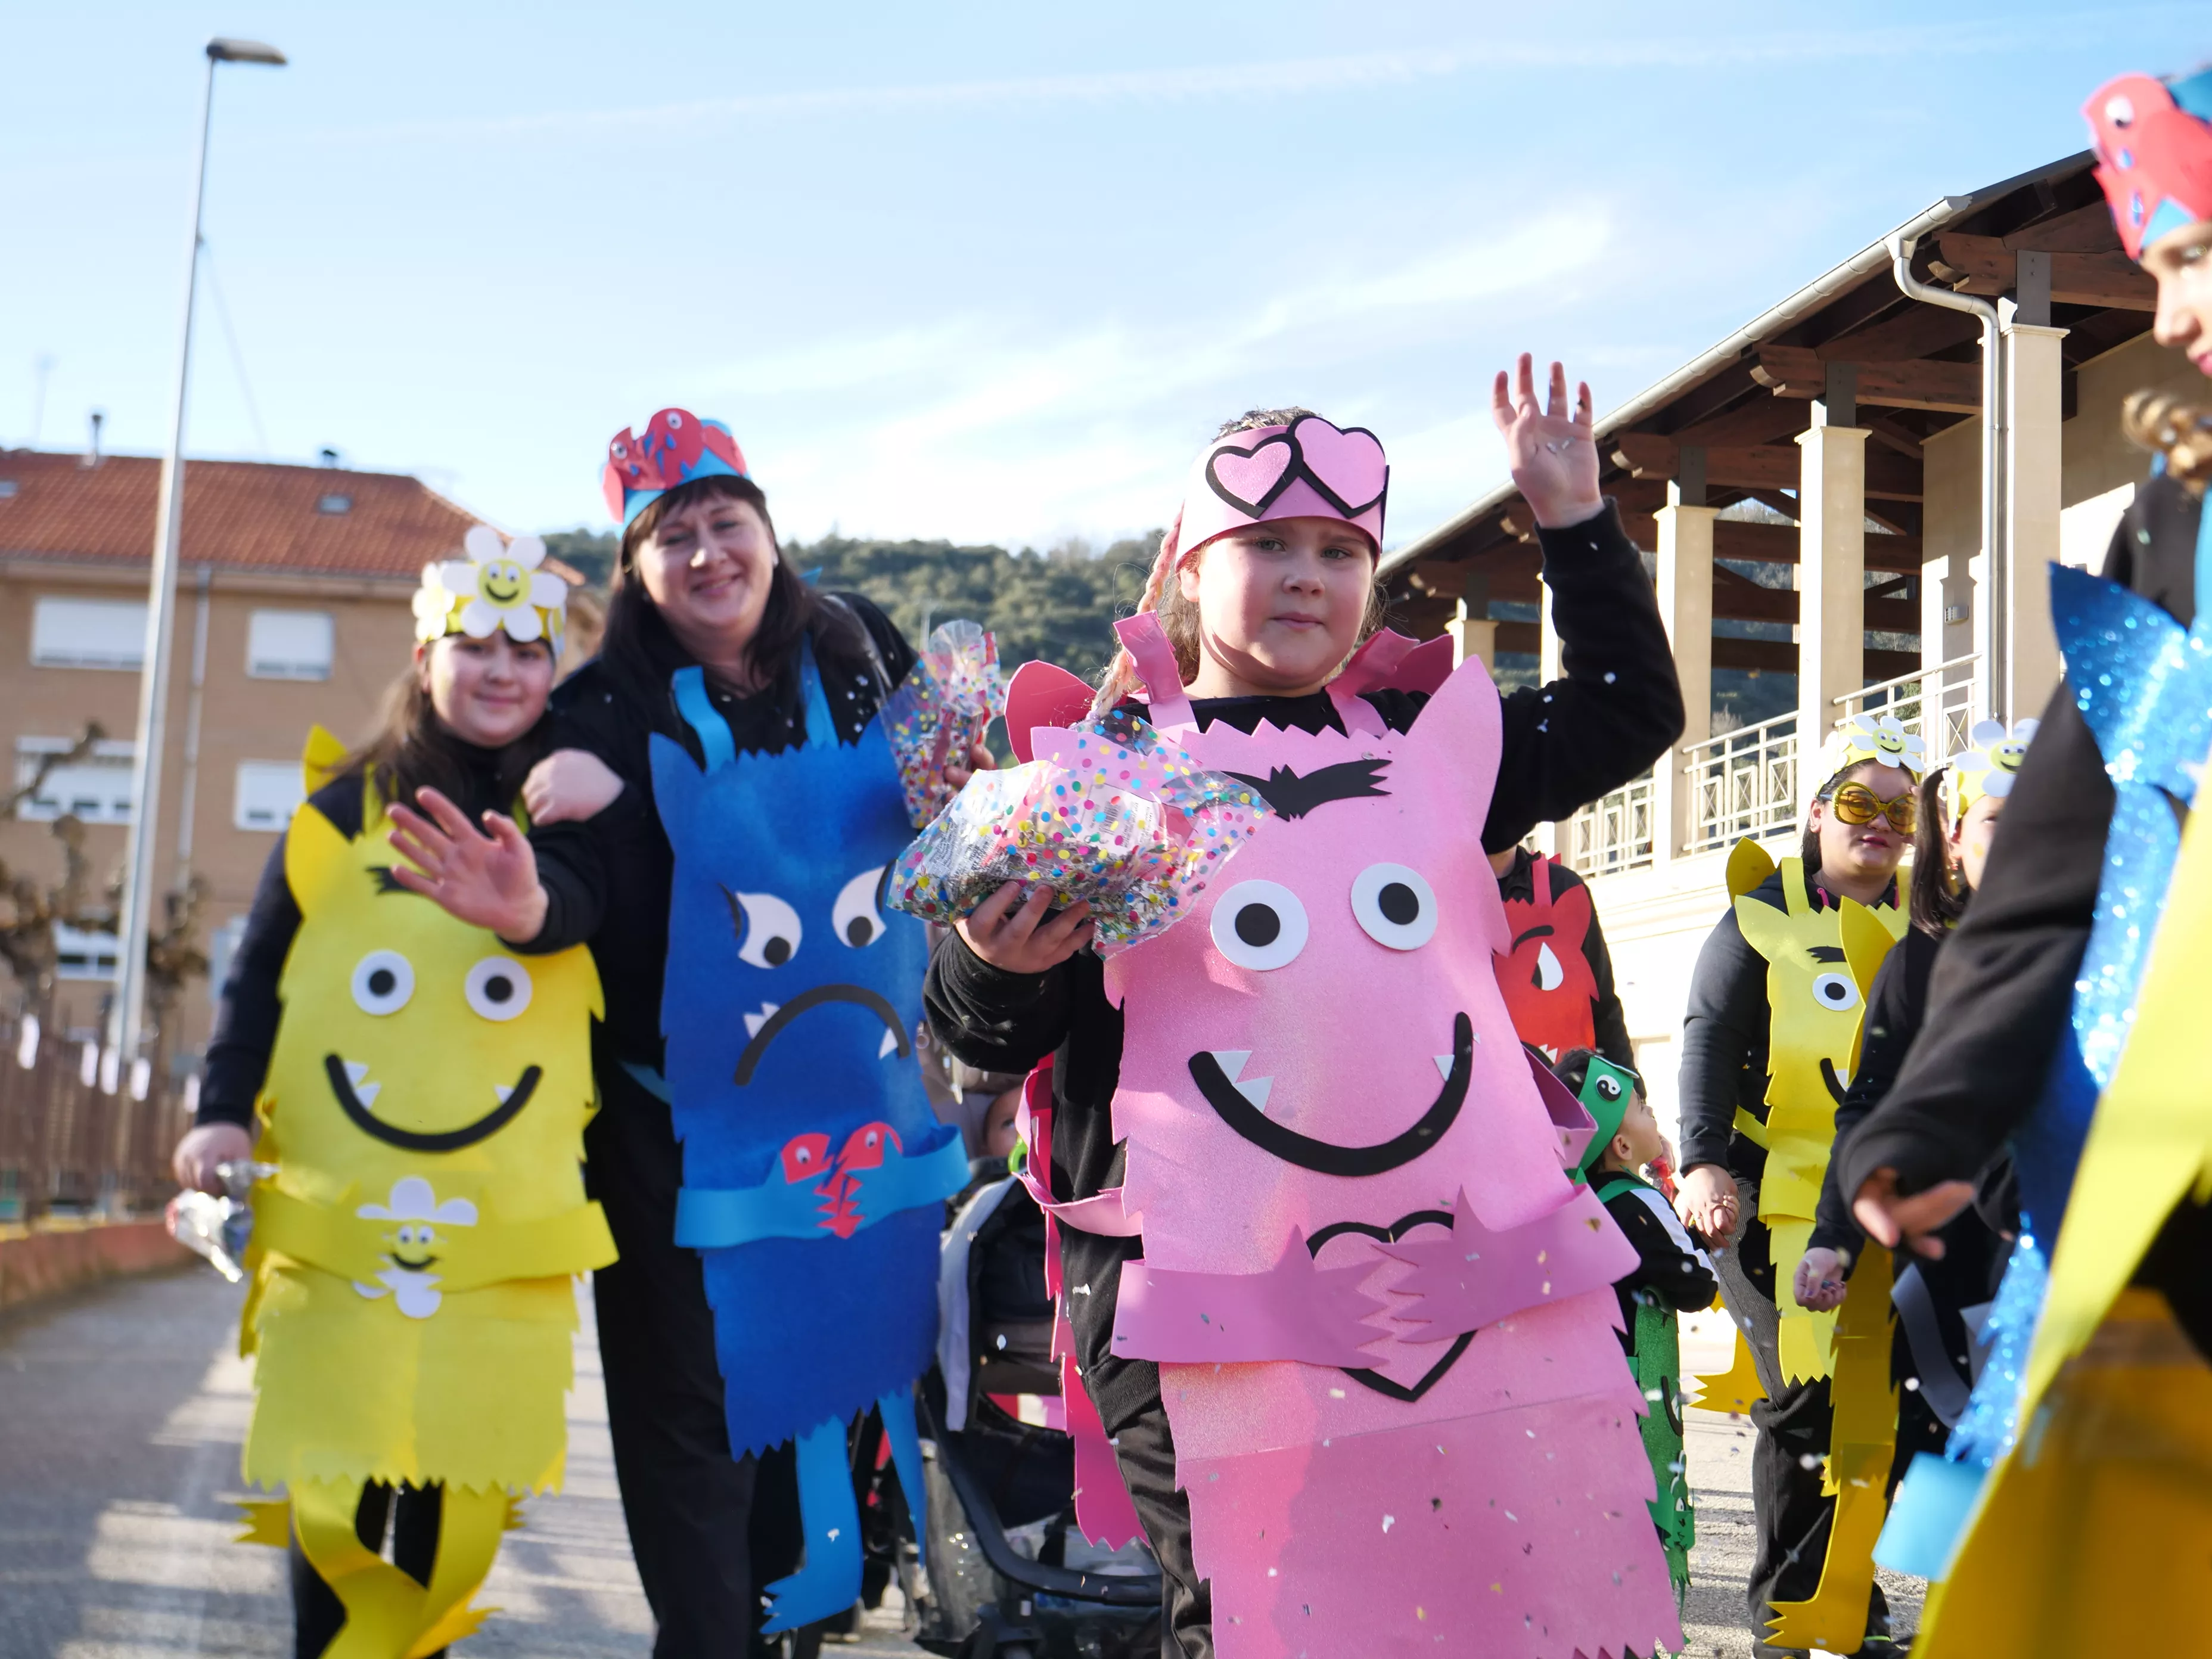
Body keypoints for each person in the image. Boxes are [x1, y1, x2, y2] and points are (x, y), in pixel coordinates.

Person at [928, 361, 1688, 1658]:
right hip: (1200, 1294)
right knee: (1255, 1617)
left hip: (1448, 1266)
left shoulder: (1425, 746)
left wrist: (1574, 521)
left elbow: (1630, 711)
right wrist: (994, 967)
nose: (1304, 575)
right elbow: (993, 1036)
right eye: (1265, 544)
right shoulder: (1103, 778)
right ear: (1188, 569)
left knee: (1484, 1604)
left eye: (1339, 551)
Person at [400, 409, 984, 1655]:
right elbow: (577, 882)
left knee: (825, 1438)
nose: (709, 553)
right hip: (684, 1148)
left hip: (859, 1120)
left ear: (770, 536)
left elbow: (930, 825)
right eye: (675, 536)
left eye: (729, 523)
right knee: (697, 1453)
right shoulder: (601, 706)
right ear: (635, 569)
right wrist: (529, 906)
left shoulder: (859, 647)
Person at [1832, 69, 2212, 1652]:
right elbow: (2051, 874)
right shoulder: (2176, 532)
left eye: (2203, 255)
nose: (2175, 310)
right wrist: (1925, 1117)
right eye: (2166, 261)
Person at [170, 530, 613, 1658]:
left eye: (529, 647)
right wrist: (219, 1103)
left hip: (496, 1215)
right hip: (345, 1207)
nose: (504, 668)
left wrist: (540, 886)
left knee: (451, 1477)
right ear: (427, 657)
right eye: (477, 645)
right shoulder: (335, 811)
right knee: (344, 1467)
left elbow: (582, 907)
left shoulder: (574, 796)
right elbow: (260, 973)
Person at [1673, 719, 1922, 1659]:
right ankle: (1789, 1615)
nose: (1883, 826)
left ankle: (1847, 1605)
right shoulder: (1756, 920)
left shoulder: (1929, 924)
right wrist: (1700, 1164)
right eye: (1861, 804)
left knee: (1886, 1399)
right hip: (1763, 1188)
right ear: (1817, 814)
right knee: (1805, 1395)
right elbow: (1705, 1038)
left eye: (1902, 813)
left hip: (1885, 1193)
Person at [1558, 1048, 1715, 1613]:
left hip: (1589, 1378)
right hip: (1640, 1382)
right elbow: (1695, 1286)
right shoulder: (1639, 1202)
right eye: (1644, 1109)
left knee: (1599, 1509)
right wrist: (1705, 1248)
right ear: (1622, 1147)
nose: (1655, 1116)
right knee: (1645, 1500)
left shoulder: (1579, 1202)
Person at [1491, 841, 1633, 1065]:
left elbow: (1603, 1006)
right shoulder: (1438, 883)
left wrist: (1632, 1092)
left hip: (1561, 1089)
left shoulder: (1564, 887)